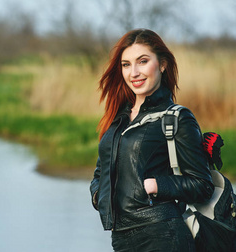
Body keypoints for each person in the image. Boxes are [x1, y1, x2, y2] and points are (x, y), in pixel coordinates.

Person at [90, 29, 214, 252]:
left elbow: (202, 185)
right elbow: (100, 173)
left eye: (143, 61)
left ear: (163, 64)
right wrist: (99, 196)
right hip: (121, 239)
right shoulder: (117, 119)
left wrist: (158, 185)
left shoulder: (176, 117)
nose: (134, 72)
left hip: (162, 236)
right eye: (126, 65)